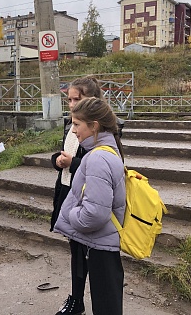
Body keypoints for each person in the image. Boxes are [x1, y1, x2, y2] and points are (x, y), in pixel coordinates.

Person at [54, 97, 126, 315]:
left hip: (100, 245)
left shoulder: (98, 159)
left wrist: (70, 215)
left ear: (94, 126)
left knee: (106, 306)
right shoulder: (107, 151)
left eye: (77, 124)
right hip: (103, 241)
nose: (73, 130)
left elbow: (94, 215)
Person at [50, 76, 104, 315]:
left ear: (92, 100)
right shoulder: (70, 124)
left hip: (85, 197)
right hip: (66, 190)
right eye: (69, 99)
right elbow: (65, 154)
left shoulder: (100, 127)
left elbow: (101, 162)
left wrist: (72, 163)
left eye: (77, 99)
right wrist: (58, 160)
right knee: (76, 250)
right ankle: (77, 299)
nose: (71, 104)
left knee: (86, 253)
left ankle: (82, 299)